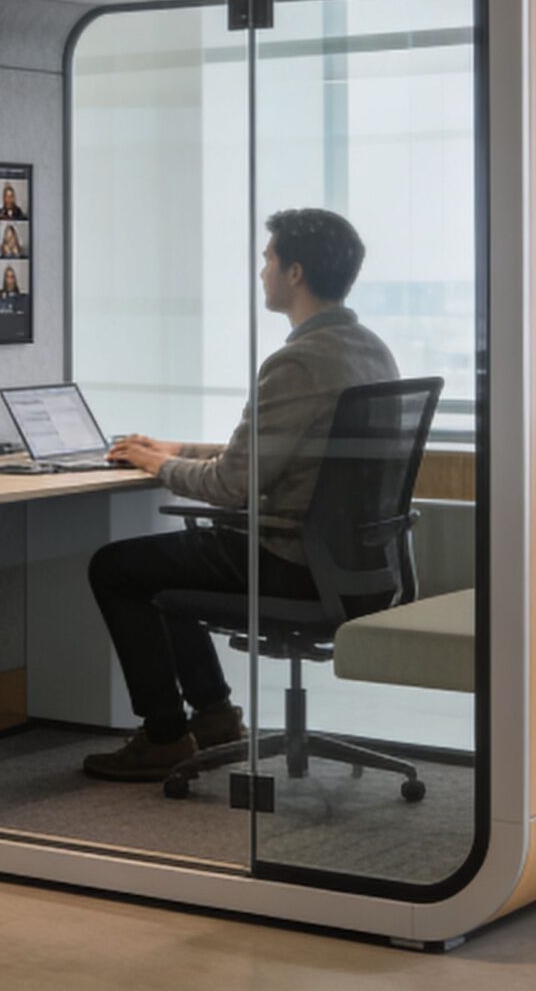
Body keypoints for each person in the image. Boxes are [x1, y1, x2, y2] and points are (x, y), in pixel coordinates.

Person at [79, 207, 398, 781]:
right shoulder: (370, 349)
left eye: (268, 259)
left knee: (116, 567)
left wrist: (162, 466)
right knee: (170, 563)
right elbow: (270, 455)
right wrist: (176, 449)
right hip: (353, 564)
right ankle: (216, 717)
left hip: (289, 561)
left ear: (294, 273)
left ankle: (165, 736)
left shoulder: (296, 362)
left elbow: (232, 486)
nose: (261, 272)